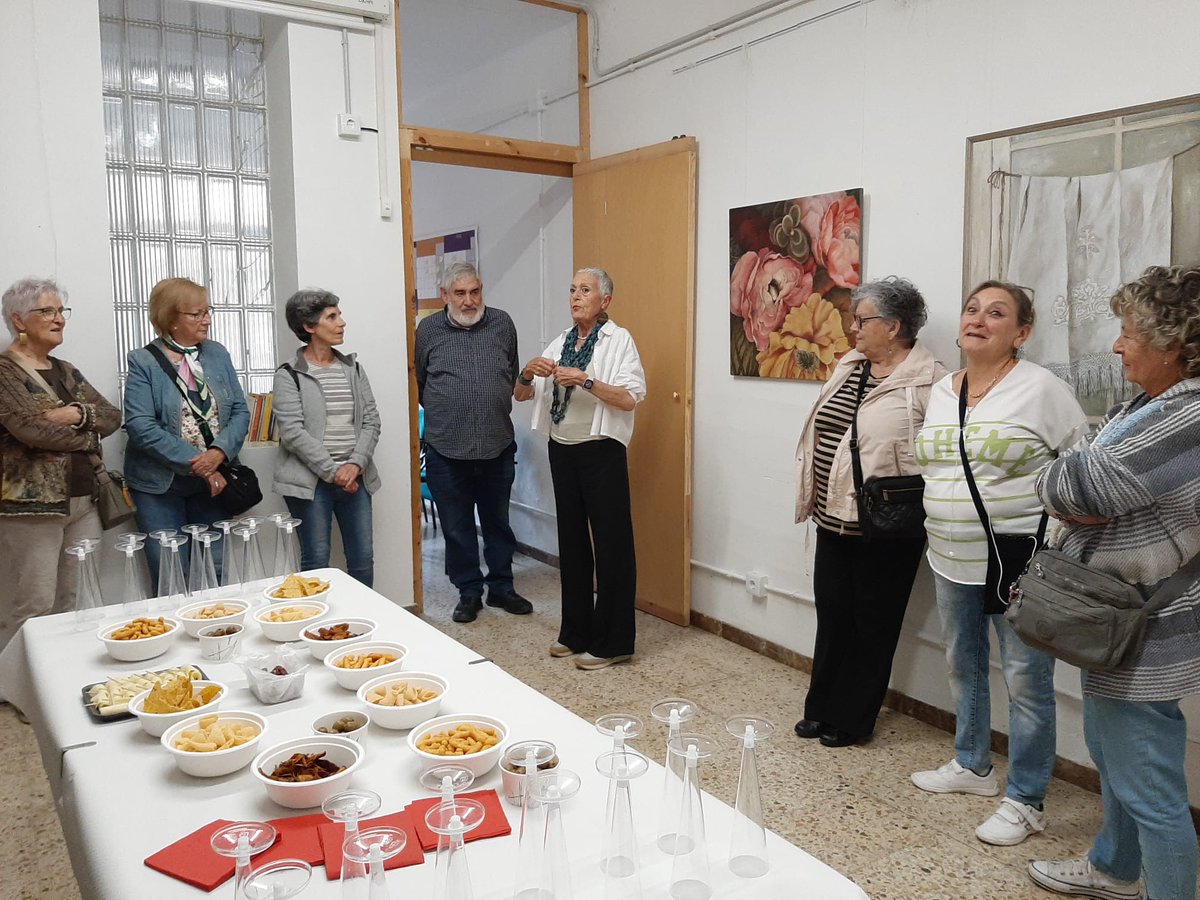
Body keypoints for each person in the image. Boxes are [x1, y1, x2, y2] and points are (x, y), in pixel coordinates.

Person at [1027, 266, 1200, 900]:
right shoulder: (1150, 404)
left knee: (1152, 789)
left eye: (1129, 334)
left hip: (1149, 626)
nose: (1117, 346)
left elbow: (1071, 484)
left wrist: (1077, 485)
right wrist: (1078, 483)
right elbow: (1079, 466)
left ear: (1175, 345)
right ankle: (1114, 869)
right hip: (1122, 621)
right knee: (1115, 755)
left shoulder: (1188, 415)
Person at [910, 280, 1088, 846]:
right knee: (963, 663)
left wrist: (1053, 544)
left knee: (1027, 681)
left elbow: (1082, 473)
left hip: (1018, 564)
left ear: (1022, 333)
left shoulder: (1042, 390)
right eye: (971, 309)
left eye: (996, 313)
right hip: (948, 555)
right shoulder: (944, 390)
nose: (978, 320)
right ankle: (972, 765)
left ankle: (1027, 798)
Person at [792, 277, 945, 747]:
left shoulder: (931, 380)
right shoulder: (850, 364)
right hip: (832, 516)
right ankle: (821, 708)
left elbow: (939, 453)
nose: (853, 328)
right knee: (833, 614)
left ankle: (853, 719)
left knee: (873, 622)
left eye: (862, 320)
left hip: (887, 527)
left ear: (894, 326)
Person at [514, 267, 646, 671]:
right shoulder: (560, 341)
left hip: (600, 452)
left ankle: (613, 642)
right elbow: (521, 396)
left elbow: (629, 399)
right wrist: (525, 373)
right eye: (572, 289)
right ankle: (575, 632)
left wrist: (587, 381)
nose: (575, 296)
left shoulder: (619, 341)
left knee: (611, 545)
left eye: (585, 290)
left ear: (605, 300)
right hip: (562, 449)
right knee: (571, 543)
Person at [0, 278, 120, 650]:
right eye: (47, 311)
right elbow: (30, 430)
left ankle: (58, 683)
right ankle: (15, 695)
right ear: (19, 321)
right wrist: (89, 430)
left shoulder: (66, 370)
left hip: (84, 502)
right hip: (32, 507)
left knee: (75, 601)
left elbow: (111, 416)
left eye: (60, 311)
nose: (59, 319)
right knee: (32, 603)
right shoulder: (5, 372)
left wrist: (74, 413)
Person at [415, 262, 532, 623]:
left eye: (475, 291)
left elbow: (510, 372)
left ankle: (501, 587)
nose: (469, 301)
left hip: (496, 445)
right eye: (460, 293)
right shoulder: (429, 330)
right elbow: (421, 384)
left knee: (498, 523)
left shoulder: (502, 323)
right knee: (456, 526)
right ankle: (468, 592)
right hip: (446, 450)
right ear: (446, 295)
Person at [123, 278, 249, 586]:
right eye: (196, 314)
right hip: (159, 486)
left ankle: (218, 632)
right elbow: (141, 427)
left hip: (213, 482)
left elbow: (240, 411)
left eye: (208, 312)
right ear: (170, 318)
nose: (206, 320)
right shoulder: (143, 361)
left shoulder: (217, 354)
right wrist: (200, 463)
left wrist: (218, 454)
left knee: (216, 569)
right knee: (171, 573)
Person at [272, 289, 381, 587]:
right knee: (316, 560)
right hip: (311, 484)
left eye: (339, 315)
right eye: (332, 317)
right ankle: (315, 629)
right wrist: (334, 473)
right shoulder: (288, 375)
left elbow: (371, 422)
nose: (341, 322)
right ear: (309, 327)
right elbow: (293, 434)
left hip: (355, 479)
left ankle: (361, 626)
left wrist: (354, 466)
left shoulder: (353, 369)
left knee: (362, 559)